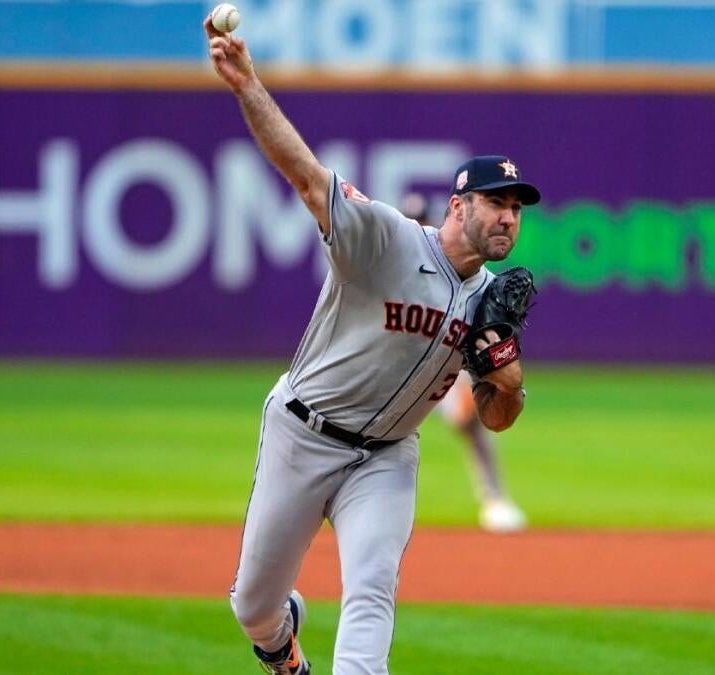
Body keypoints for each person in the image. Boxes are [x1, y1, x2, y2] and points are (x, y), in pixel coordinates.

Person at [205, 16, 541, 675]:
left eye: (518, 207)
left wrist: (506, 375)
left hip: (385, 458)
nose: (508, 215)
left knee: (372, 588)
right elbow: (305, 175)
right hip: (303, 432)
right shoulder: (386, 238)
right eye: (496, 201)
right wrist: (247, 84)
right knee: (254, 604)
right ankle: (282, 647)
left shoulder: (495, 300)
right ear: (457, 205)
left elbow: (498, 418)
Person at [400, 193, 528, 534]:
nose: (419, 226)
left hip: (445, 357)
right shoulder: (393, 262)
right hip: (396, 361)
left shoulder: (464, 274)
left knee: (468, 423)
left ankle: (495, 499)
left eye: (423, 219)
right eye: (412, 220)